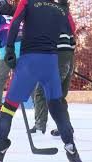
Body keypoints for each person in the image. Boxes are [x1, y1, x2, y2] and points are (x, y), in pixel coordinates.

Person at [0, 0, 83, 162]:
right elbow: (71, 29)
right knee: (57, 107)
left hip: (29, 63)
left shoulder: (27, 2)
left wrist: (11, 49)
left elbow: (15, 24)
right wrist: (65, 7)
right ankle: (72, 152)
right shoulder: (60, 7)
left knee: (8, 108)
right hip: (50, 63)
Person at [29, 0, 76, 136]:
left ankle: (39, 126)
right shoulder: (65, 13)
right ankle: (66, 128)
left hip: (56, 55)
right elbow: (72, 37)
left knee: (41, 92)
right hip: (68, 55)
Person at [0, 0, 22, 121]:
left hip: (7, 51)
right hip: (24, 50)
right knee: (23, 79)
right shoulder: (16, 18)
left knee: (0, 79)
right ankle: (37, 108)